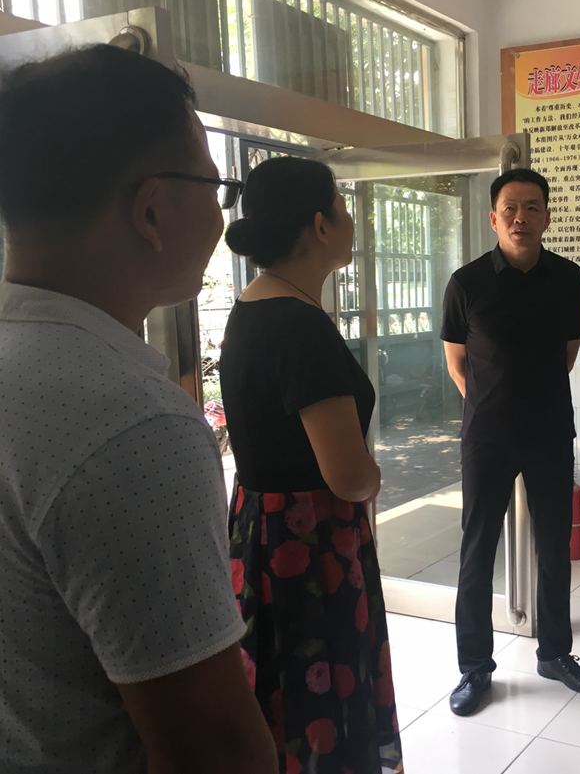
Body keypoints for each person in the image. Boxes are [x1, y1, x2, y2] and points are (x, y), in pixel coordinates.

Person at [0, 46, 276, 773]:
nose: (221, 216)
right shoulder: (131, 424)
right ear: (152, 209)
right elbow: (216, 750)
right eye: (215, 187)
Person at [220, 157, 404, 774]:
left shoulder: (251, 307)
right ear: (320, 226)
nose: (351, 220)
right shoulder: (301, 325)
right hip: (310, 546)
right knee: (319, 696)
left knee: (279, 693)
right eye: (343, 207)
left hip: (260, 534)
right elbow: (347, 475)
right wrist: (375, 477)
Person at [440, 167, 580, 716]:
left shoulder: (567, 278)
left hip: (550, 431)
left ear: (547, 216)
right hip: (486, 437)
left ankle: (554, 654)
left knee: (555, 547)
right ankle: (474, 669)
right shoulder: (466, 283)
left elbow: (567, 353)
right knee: (477, 549)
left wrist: (529, 402)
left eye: (532, 207)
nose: (520, 217)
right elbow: (456, 361)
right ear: (493, 217)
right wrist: (491, 404)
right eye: (510, 207)